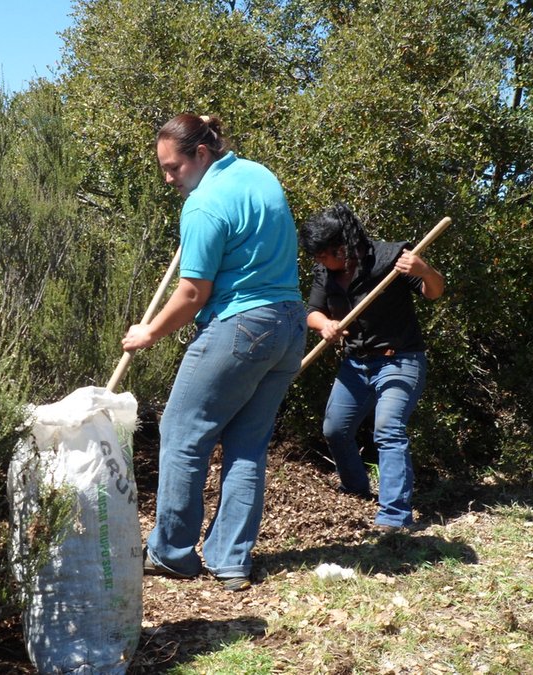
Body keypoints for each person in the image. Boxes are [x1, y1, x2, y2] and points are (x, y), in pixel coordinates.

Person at [121, 114, 306, 592]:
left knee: (182, 431)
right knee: (247, 444)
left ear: (201, 155)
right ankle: (231, 560)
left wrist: (148, 334)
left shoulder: (203, 205)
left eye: (173, 168)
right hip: (288, 323)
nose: (168, 179)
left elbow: (191, 294)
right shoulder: (259, 174)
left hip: (241, 326)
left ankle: (171, 553)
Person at [299, 202, 445, 533]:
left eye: (323, 255)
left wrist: (424, 270)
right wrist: (325, 325)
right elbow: (312, 311)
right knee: (335, 429)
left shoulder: (393, 258)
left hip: (400, 360)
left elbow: (434, 292)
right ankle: (355, 489)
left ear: (342, 247)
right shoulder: (326, 271)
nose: (319, 262)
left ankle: (394, 515)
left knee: (388, 428)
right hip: (356, 363)